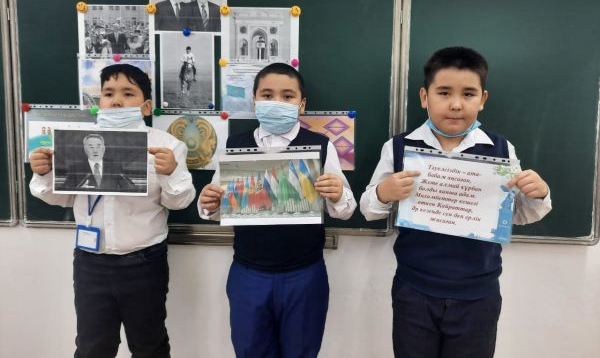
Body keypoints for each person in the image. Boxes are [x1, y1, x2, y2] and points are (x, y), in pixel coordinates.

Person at [360, 46, 552, 358]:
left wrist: (538, 194)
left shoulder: (501, 150)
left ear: (482, 99)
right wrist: (384, 192)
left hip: (478, 293)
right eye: (444, 92)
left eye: (468, 94)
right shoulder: (398, 148)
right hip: (415, 289)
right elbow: (369, 209)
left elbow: (517, 214)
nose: (456, 104)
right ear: (424, 97)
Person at [29, 63, 196, 358]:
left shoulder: (167, 146)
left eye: (128, 93)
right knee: (92, 347)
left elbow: (179, 202)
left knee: (150, 346)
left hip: (144, 262)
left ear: (146, 106)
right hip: (90, 262)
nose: (117, 100)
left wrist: (170, 173)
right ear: (100, 102)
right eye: (108, 93)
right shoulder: (76, 143)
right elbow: (63, 199)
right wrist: (44, 173)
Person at [199, 63, 357, 358]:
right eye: (267, 95)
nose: (277, 102)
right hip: (249, 273)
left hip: (304, 274)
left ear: (302, 104)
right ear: (254, 101)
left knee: (301, 350)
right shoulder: (235, 145)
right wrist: (208, 204)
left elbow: (345, 210)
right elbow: (216, 205)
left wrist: (338, 195)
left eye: (287, 96)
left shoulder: (321, 146)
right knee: (250, 350)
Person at [61, 133, 138, 192]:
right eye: (91, 147)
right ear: (85, 149)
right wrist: (79, 190)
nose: (95, 150)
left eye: (98, 146)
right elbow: (65, 191)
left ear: (103, 148)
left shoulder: (115, 167)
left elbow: (131, 188)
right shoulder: (75, 168)